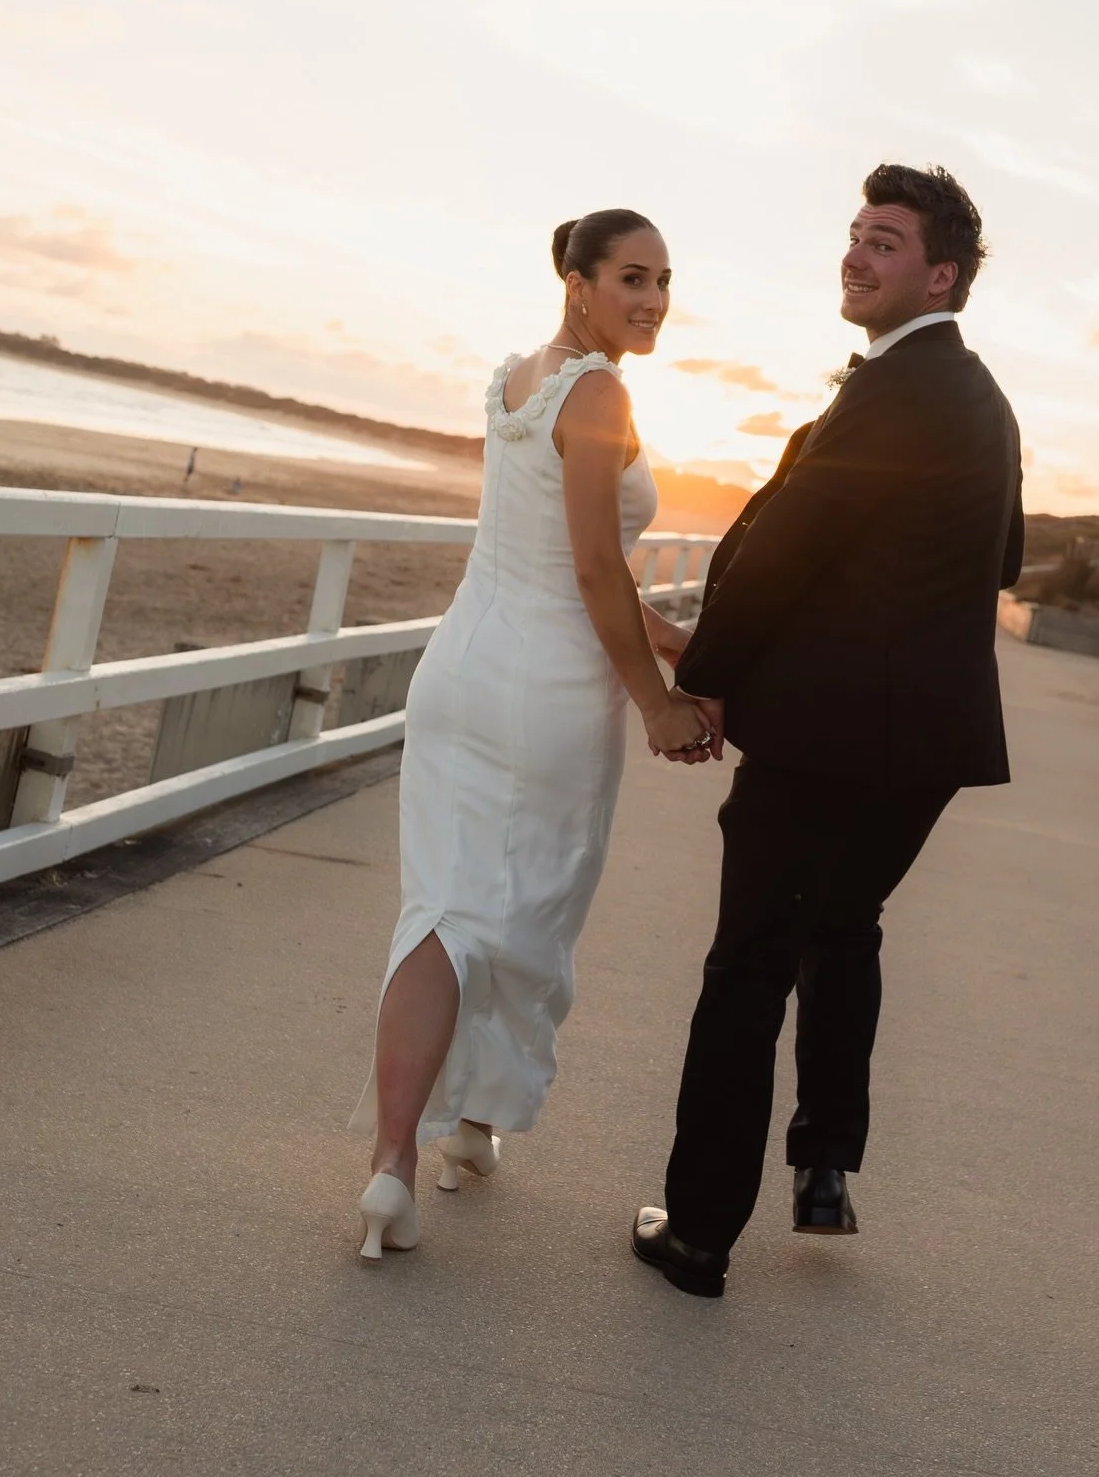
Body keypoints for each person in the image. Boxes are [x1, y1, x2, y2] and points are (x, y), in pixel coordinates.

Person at [632, 163, 1024, 1297]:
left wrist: (700, 678)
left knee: (749, 963)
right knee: (844, 929)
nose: (856, 254)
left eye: (886, 242)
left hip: (830, 739)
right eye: (855, 234)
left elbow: (794, 545)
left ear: (940, 274)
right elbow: (1001, 560)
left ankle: (698, 1231)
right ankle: (824, 1166)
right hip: (926, 744)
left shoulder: (898, 390)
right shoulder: (980, 398)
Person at [350, 210, 716, 1261]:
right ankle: (456, 1127)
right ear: (577, 281)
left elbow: (567, 559)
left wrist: (677, 643)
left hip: (461, 670)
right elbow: (596, 571)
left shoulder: (516, 377)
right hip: (548, 691)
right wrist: (655, 697)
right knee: (528, 909)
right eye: (631, 277)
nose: (651, 299)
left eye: (663, 280)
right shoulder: (599, 392)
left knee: (446, 909)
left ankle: (408, 1158)